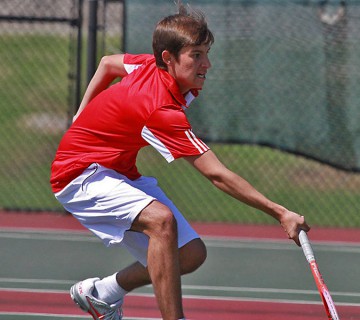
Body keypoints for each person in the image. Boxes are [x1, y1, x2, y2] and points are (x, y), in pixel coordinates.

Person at [50, 3, 310, 320]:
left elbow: (107, 64)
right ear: (169, 59)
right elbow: (216, 174)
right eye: (196, 55)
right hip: (79, 176)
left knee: (189, 254)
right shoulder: (160, 110)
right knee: (161, 221)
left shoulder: (149, 66)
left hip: (117, 172)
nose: (207, 64)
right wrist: (280, 212)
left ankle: (102, 292)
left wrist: (81, 113)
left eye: (206, 53)